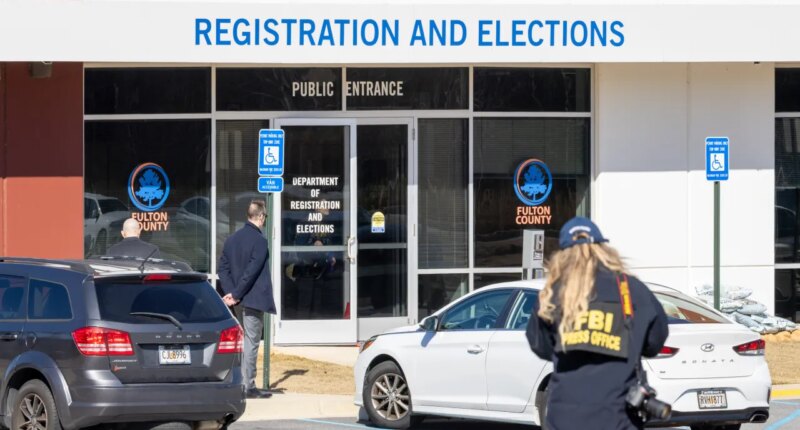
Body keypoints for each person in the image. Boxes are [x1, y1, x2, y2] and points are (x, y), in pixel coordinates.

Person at [526, 217, 668, 430]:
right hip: (619, 417)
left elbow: (541, 346)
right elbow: (655, 342)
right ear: (603, 248)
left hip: (565, 418)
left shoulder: (553, 293)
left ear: (563, 254)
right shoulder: (632, 291)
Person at [218, 200, 277, 399]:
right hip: (250, 299)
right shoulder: (260, 240)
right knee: (251, 342)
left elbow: (223, 269)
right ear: (260, 217)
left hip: (238, 300)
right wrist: (235, 294)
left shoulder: (232, 239)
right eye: (265, 217)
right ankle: (247, 385)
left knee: (243, 341)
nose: (264, 221)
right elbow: (252, 272)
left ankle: (241, 381)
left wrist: (230, 293)